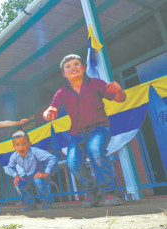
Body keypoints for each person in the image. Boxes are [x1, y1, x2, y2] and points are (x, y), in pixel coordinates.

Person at [43, 54, 127, 208]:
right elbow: (50, 110)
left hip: (99, 128)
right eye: (68, 66)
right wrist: (48, 113)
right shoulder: (61, 92)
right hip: (76, 134)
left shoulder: (96, 84)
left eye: (76, 64)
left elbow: (120, 99)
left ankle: (109, 193)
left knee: (95, 150)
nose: (72, 67)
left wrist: (120, 90)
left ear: (83, 68)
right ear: (64, 74)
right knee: (73, 162)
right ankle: (93, 194)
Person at [3, 130, 57, 212]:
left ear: (29, 144)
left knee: (38, 180)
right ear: (14, 147)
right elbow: (9, 167)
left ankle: (47, 203)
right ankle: (31, 205)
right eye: (17, 145)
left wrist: (46, 173)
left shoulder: (35, 151)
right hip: (28, 176)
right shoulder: (14, 156)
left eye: (24, 144)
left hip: (40, 175)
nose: (21, 147)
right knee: (19, 183)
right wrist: (16, 175)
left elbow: (52, 158)